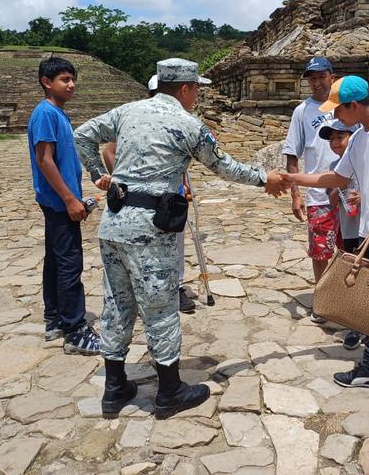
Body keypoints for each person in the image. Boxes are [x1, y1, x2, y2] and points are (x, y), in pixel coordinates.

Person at [74, 58, 288, 420]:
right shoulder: (188, 125)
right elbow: (225, 167)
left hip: (114, 222)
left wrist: (100, 175)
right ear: (186, 88)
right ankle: (170, 391)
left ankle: (114, 390)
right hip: (151, 228)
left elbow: (82, 135)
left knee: (117, 302)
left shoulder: (127, 111)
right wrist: (264, 178)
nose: (198, 95)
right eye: (197, 89)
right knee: (160, 307)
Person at [282, 75, 369, 389]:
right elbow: (336, 177)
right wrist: (292, 179)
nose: (335, 118)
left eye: (339, 111)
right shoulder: (360, 137)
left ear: (355, 105)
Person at [101, 74, 195, 314]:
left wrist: (183, 184)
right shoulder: (133, 119)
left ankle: (177, 285)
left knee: (175, 240)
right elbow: (109, 151)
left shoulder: (179, 120)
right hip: (139, 201)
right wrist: (123, 183)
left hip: (170, 197)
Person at [27, 57, 100, 356]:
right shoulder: (46, 113)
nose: (71, 85)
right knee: (70, 263)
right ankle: (74, 330)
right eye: (64, 80)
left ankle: (55, 317)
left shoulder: (57, 113)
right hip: (59, 202)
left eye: (72, 80)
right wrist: (70, 199)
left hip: (59, 200)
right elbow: (44, 160)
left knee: (56, 261)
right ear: (47, 82)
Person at [283, 56, 338, 322]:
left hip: (350, 191)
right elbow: (292, 155)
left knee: (351, 248)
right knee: (320, 250)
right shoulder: (302, 112)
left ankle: (352, 301)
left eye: (321, 76)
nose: (317, 82)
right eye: (312, 78)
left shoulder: (345, 104)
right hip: (318, 193)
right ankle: (324, 297)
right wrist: (296, 195)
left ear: (332, 76)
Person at [318, 119, 364, 350]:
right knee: (351, 273)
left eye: (340, 137)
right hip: (348, 228)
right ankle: (356, 325)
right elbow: (332, 199)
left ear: (353, 138)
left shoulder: (367, 162)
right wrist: (338, 189)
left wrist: (364, 196)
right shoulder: (335, 167)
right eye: (332, 139)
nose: (336, 143)